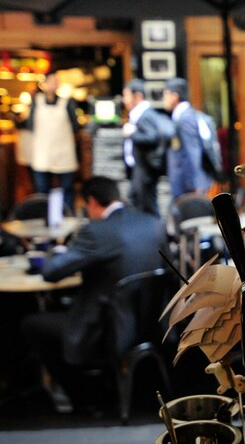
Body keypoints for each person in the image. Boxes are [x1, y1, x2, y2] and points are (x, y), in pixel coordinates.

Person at [20, 176, 167, 410]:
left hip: (109, 328)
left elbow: (51, 272)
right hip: (152, 324)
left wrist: (55, 252)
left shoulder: (97, 232)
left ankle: (83, 396)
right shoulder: (152, 223)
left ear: (91, 202)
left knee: (32, 324)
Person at [25, 70, 80, 212]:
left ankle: (68, 218)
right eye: (51, 81)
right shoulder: (36, 102)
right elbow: (30, 125)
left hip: (64, 153)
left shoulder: (67, 102)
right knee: (42, 191)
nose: (54, 85)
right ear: (44, 84)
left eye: (56, 82)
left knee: (66, 189)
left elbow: (75, 126)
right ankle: (45, 219)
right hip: (42, 153)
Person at [122, 79, 174, 217]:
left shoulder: (145, 115)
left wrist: (132, 133)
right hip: (141, 169)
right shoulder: (143, 114)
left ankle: (153, 234)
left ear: (137, 96)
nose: (124, 100)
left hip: (145, 169)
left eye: (126, 95)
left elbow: (151, 137)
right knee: (138, 201)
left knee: (147, 206)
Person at [163, 77, 213, 199]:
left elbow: (192, 152)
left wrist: (194, 186)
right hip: (185, 185)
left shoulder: (185, 118)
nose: (163, 100)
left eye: (165, 95)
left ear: (174, 96)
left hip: (188, 188)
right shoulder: (183, 115)